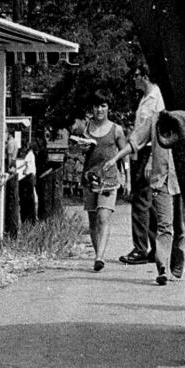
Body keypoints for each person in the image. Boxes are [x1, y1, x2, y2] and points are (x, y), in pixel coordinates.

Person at [107, 62, 185, 285]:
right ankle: (162, 267)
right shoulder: (156, 120)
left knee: (181, 228)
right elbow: (136, 141)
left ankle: (177, 266)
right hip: (161, 178)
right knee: (164, 224)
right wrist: (115, 157)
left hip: (182, 180)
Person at [76, 89, 128, 272]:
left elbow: (125, 154)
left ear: (108, 108)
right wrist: (82, 147)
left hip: (110, 179)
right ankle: (98, 255)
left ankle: (100, 257)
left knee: (103, 217)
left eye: (103, 106)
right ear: (92, 108)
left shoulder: (117, 129)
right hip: (90, 179)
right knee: (92, 220)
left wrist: (127, 178)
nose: (100, 109)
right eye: (97, 106)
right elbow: (77, 152)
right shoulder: (85, 128)